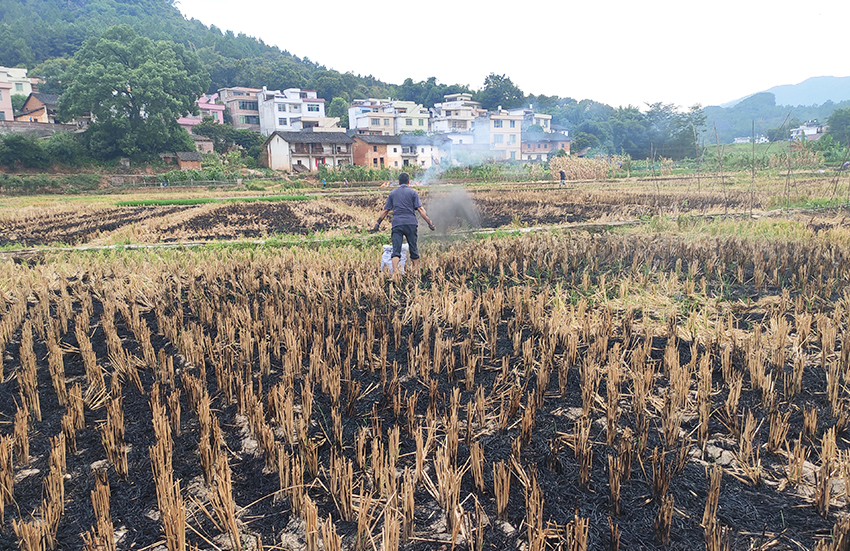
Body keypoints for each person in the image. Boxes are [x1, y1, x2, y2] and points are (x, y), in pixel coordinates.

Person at [372, 172, 435, 275]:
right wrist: (429, 222)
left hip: (397, 224)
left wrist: (377, 223)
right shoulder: (413, 193)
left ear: (399, 182)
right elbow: (420, 209)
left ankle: (395, 274)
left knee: (396, 251)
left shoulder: (393, 194)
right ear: (409, 182)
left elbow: (385, 210)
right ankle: (416, 273)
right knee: (413, 249)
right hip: (411, 224)